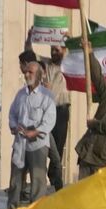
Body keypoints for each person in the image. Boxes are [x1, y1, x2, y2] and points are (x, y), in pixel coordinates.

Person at [9, 60, 56, 208]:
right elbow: (12, 113)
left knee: (38, 181)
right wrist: (14, 126)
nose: (27, 74)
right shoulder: (20, 94)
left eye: (31, 72)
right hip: (20, 142)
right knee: (15, 180)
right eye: (26, 71)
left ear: (39, 75)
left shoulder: (47, 96)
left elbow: (49, 120)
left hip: (38, 144)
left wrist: (35, 132)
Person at [39, 46, 73, 190]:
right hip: (46, 110)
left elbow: (72, 51)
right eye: (52, 49)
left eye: (57, 50)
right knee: (42, 142)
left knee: (58, 145)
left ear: (64, 51)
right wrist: (29, 38)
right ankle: (40, 176)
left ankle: (55, 177)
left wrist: (67, 39)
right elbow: (30, 55)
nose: (54, 53)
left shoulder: (67, 65)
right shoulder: (46, 64)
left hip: (61, 109)